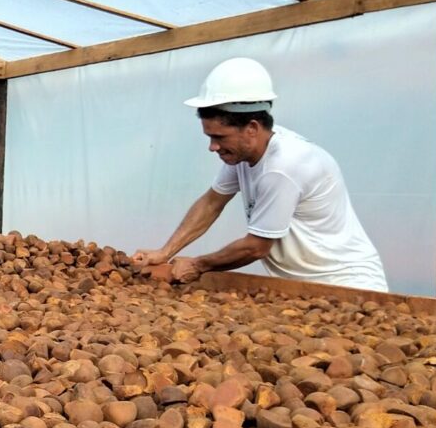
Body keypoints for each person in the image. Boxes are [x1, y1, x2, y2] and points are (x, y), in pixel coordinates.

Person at [132, 57, 387, 291]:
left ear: (252, 128)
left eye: (219, 137)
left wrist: (198, 265)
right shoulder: (243, 154)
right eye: (209, 137)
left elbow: (256, 247)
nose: (212, 147)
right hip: (300, 287)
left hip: (347, 284)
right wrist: (165, 252)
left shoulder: (285, 166)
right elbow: (212, 203)